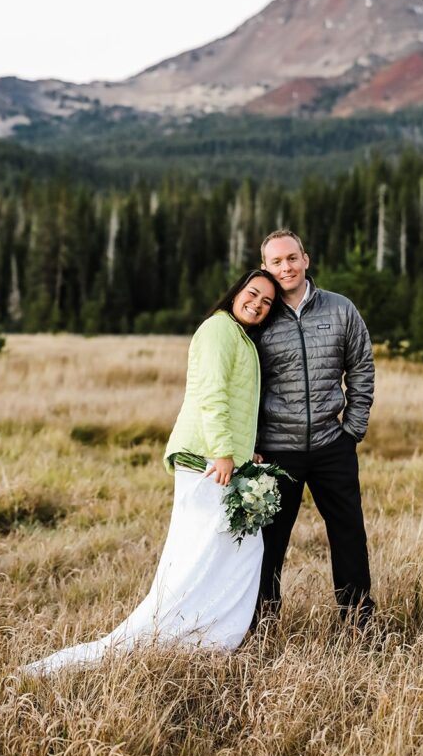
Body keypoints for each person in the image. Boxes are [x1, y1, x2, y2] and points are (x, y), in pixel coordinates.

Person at [21, 269, 279, 675]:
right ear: (235, 293)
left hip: (221, 460)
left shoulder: (239, 336)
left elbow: (236, 401)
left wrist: (247, 453)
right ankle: (186, 634)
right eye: (253, 294)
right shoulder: (218, 331)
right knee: (209, 554)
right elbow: (211, 394)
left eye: (267, 302)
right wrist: (226, 453)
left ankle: (204, 637)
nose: (258, 304)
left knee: (229, 551)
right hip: (207, 461)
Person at [253, 229, 375, 628]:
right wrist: (251, 443)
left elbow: (360, 366)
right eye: (276, 262)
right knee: (269, 544)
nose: (285, 267)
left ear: (306, 259)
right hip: (276, 451)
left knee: (349, 536)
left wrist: (352, 429)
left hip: (331, 445)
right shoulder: (259, 317)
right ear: (264, 268)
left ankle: (357, 623)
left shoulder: (340, 309)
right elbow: (245, 385)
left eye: (291, 258)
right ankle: (262, 623)